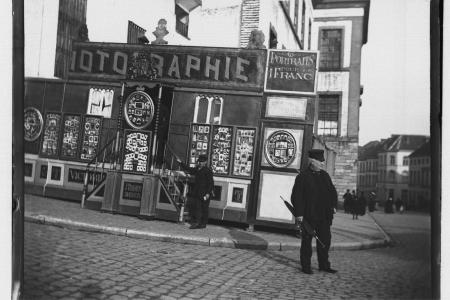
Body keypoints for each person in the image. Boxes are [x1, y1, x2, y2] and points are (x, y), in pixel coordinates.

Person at [290, 149, 338, 275]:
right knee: (306, 242)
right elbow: (296, 196)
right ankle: (306, 266)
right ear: (312, 161)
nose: (322, 163)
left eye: (323, 161)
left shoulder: (325, 175)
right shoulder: (302, 177)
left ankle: (324, 265)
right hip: (309, 216)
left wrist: (333, 205)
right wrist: (299, 214)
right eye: (320, 161)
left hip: (324, 216)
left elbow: (332, 192)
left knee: (324, 242)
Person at [178, 154, 214, 229]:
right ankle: (197, 223)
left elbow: (211, 183)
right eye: (199, 161)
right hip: (198, 192)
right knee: (198, 208)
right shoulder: (197, 169)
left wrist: (208, 193)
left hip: (205, 193)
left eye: (201, 162)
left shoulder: (208, 171)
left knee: (204, 208)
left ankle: (203, 224)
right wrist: (180, 163)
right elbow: (189, 169)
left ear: (205, 162)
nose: (200, 163)